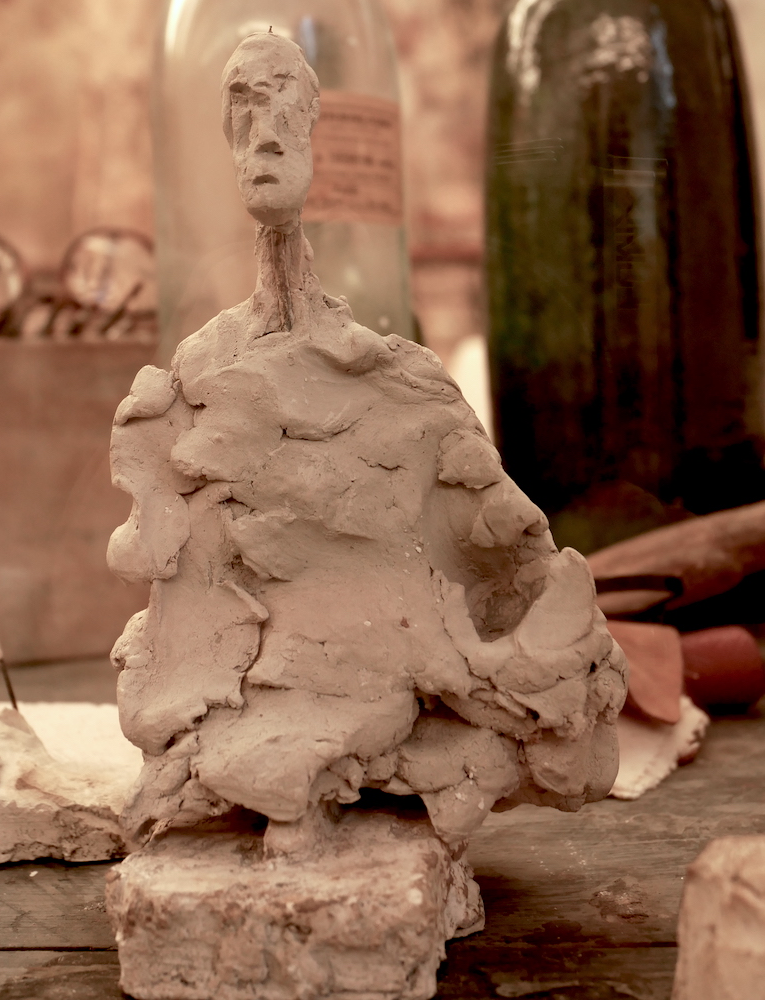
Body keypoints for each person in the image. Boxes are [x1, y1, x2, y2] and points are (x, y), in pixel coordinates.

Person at [107, 31, 626, 855]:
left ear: (317, 125)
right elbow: (163, 562)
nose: (267, 132)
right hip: (253, 693)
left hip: (406, 672)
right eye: (245, 105)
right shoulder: (196, 377)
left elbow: (509, 545)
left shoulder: (405, 386)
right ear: (227, 133)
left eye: (285, 106)